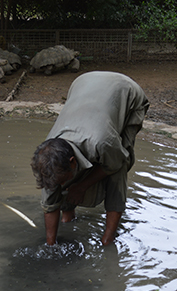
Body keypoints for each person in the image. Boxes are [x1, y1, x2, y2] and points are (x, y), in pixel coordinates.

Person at [31, 71, 149, 246]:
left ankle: (108, 239)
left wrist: (82, 186)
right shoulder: (49, 157)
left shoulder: (103, 142)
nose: (58, 186)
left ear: (72, 161)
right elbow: (50, 205)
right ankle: (68, 219)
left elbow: (116, 164)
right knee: (64, 179)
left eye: (61, 182)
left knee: (119, 168)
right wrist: (51, 245)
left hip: (125, 91)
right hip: (82, 83)